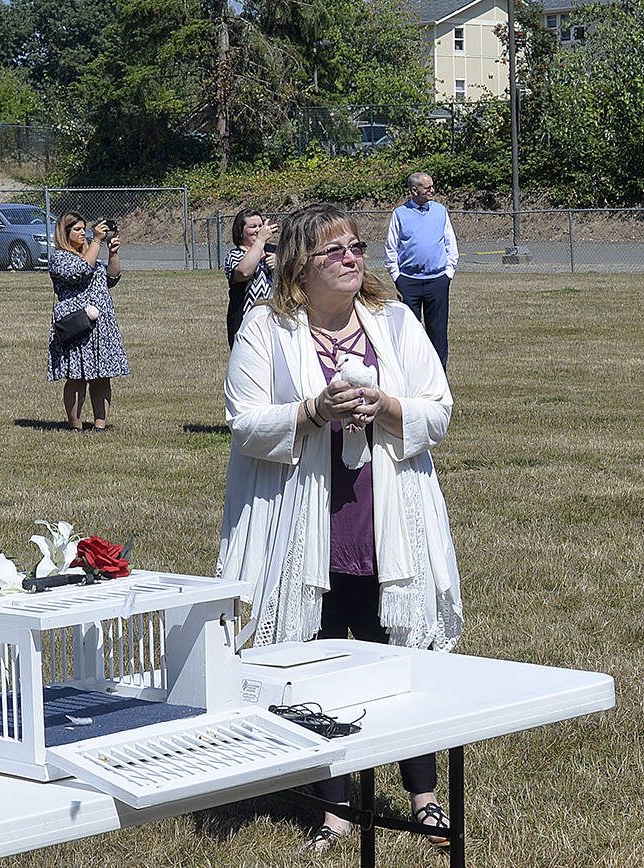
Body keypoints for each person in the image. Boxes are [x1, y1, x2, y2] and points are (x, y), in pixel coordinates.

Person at [217, 203, 463, 854]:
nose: (354, 258)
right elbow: (244, 421)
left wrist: (385, 405)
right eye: (336, 251)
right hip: (305, 526)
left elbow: (438, 411)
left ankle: (425, 798)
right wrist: (311, 409)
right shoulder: (266, 328)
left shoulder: (395, 323)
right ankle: (336, 811)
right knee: (317, 668)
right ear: (300, 266)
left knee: (402, 658)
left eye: (357, 247)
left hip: (385, 521)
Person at [47, 212, 129, 431]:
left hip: (100, 326)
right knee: (76, 376)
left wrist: (113, 254)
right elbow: (81, 271)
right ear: (64, 234)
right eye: (77, 229)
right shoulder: (60, 258)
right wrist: (97, 241)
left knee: (102, 375)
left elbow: (112, 277)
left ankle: (100, 425)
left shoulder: (91, 254)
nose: (82, 233)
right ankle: (76, 425)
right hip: (76, 325)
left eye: (84, 228)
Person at [384, 172, 458, 368]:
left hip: (437, 281)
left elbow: (450, 243)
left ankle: (439, 375)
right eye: (427, 188)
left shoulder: (440, 211)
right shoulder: (399, 214)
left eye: (432, 186)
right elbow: (391, 247)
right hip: (408, 282)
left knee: (438, 331)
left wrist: (448, 273)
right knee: (409, 333)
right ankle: (413, 373)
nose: (432, 190)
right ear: (414, 190)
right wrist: (397, 277)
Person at [224, 208, 279, 347]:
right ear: (241, 232)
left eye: (260, 226)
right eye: (253, 226)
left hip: (275, 321)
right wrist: (260, 241)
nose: (258, 230)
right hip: (245, 322)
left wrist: (281, 263)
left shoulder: (275, 250)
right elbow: (243, 273)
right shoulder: (235, 256)